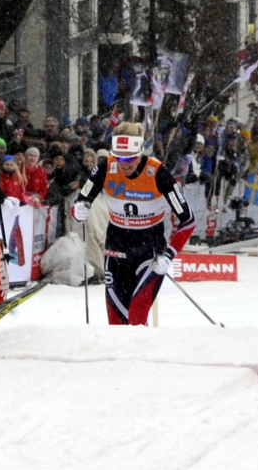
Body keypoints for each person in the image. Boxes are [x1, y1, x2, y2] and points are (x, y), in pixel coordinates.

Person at [69, 122, 195, 325]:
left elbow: (188, 220)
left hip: (149, 252)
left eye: (130, 158)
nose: (124, 164)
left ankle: (141, 355)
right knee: (116, 323)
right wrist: (79, 210)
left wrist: (169, 255)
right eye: (119, 158)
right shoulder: (106, 167)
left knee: (136, 318)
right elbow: (79, 204)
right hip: (117, 251)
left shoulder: (157, 172)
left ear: (140, 153)